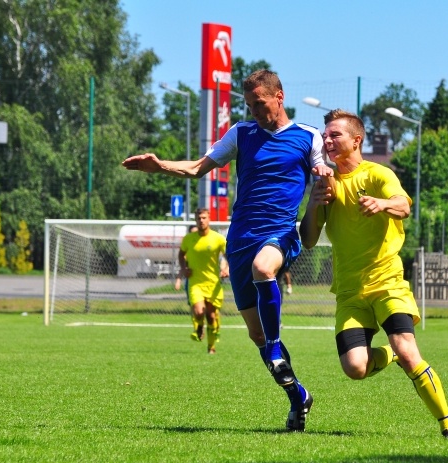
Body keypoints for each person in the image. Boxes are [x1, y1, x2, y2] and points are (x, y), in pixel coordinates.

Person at [123, 69, 333, 431]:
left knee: (264, 270)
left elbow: (325, 172)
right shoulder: (241, 133)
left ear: (279, 97)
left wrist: (326, 177)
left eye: (260, 103)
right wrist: (159, 167)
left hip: (281, 233)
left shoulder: (307, 136)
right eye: (249, 105)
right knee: (256, 335)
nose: (254, 111)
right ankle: (298, 397)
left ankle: (276, 345)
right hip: (240, 240)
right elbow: (198, 168)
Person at [299, 109, 448, 441]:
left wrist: (382, 204)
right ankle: (390, 353)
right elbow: (308, 240)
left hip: (387, 284)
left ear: (356, 140)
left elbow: (404, 205)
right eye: (325, 136)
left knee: (409, 351)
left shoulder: (377, 174)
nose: (327, 141)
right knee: (355, 367)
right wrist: (314, 204)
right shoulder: (326, 184)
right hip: (350, 292)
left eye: (335, 135)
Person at [176, 212, 228, 354]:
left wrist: (226, 268)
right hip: (195, 282)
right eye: (198, 218)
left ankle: (211, 347)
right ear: (195, 220)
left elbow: (228, 255)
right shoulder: (189, 239)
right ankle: (199, 327)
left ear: (209, 219)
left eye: (204, 218)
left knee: (211, 316)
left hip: (213, 283)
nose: (201, 220)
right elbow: (181, 254)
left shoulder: (218, 238)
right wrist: (184, 268)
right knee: (199, 312)